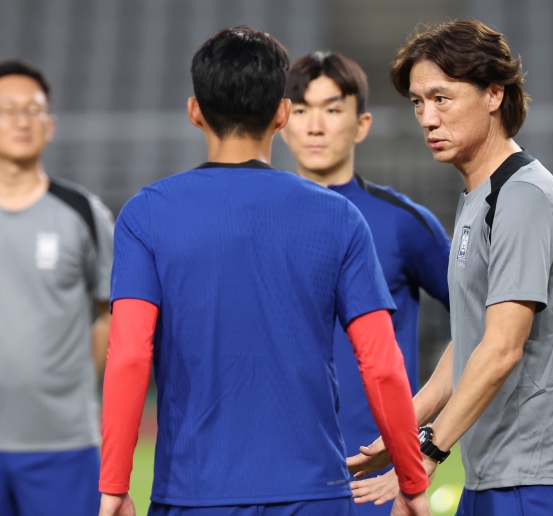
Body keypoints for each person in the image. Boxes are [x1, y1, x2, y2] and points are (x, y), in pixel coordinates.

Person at [97, 26, 431, 516]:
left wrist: (113, 486)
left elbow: (127, 356)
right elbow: (381, 363)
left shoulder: (145, 215)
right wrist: (412, 482)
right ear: (281, 114)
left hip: (193, 495)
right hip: (314, 493)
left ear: (195, 111)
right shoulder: (339, 217)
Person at [348, 20, 553, 516]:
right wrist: (403, 430)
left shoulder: (521, 195)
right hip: (496, 478)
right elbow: (473, 339)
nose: (426, 117)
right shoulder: (478, 194)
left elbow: (503, 347)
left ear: (493, 94)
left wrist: (427, 450)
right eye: (418, 102)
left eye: (442, 98)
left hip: (537, 483)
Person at [280, 51, 450, 515]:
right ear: (281, 120)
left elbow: (488, 319)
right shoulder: (257, 222)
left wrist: (429, 423)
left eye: (333, 109)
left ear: (362, 124)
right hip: (279, 480)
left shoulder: (403, 224)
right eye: (300, 109)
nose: (315, 125)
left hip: (377, 488)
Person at [0, 60, 114, 516]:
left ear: (50, 125)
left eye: (33, 109)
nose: (22, 120)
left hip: (63, 445)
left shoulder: (84, 214)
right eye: (8, 109)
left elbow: (109, 310)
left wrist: (74, 385)